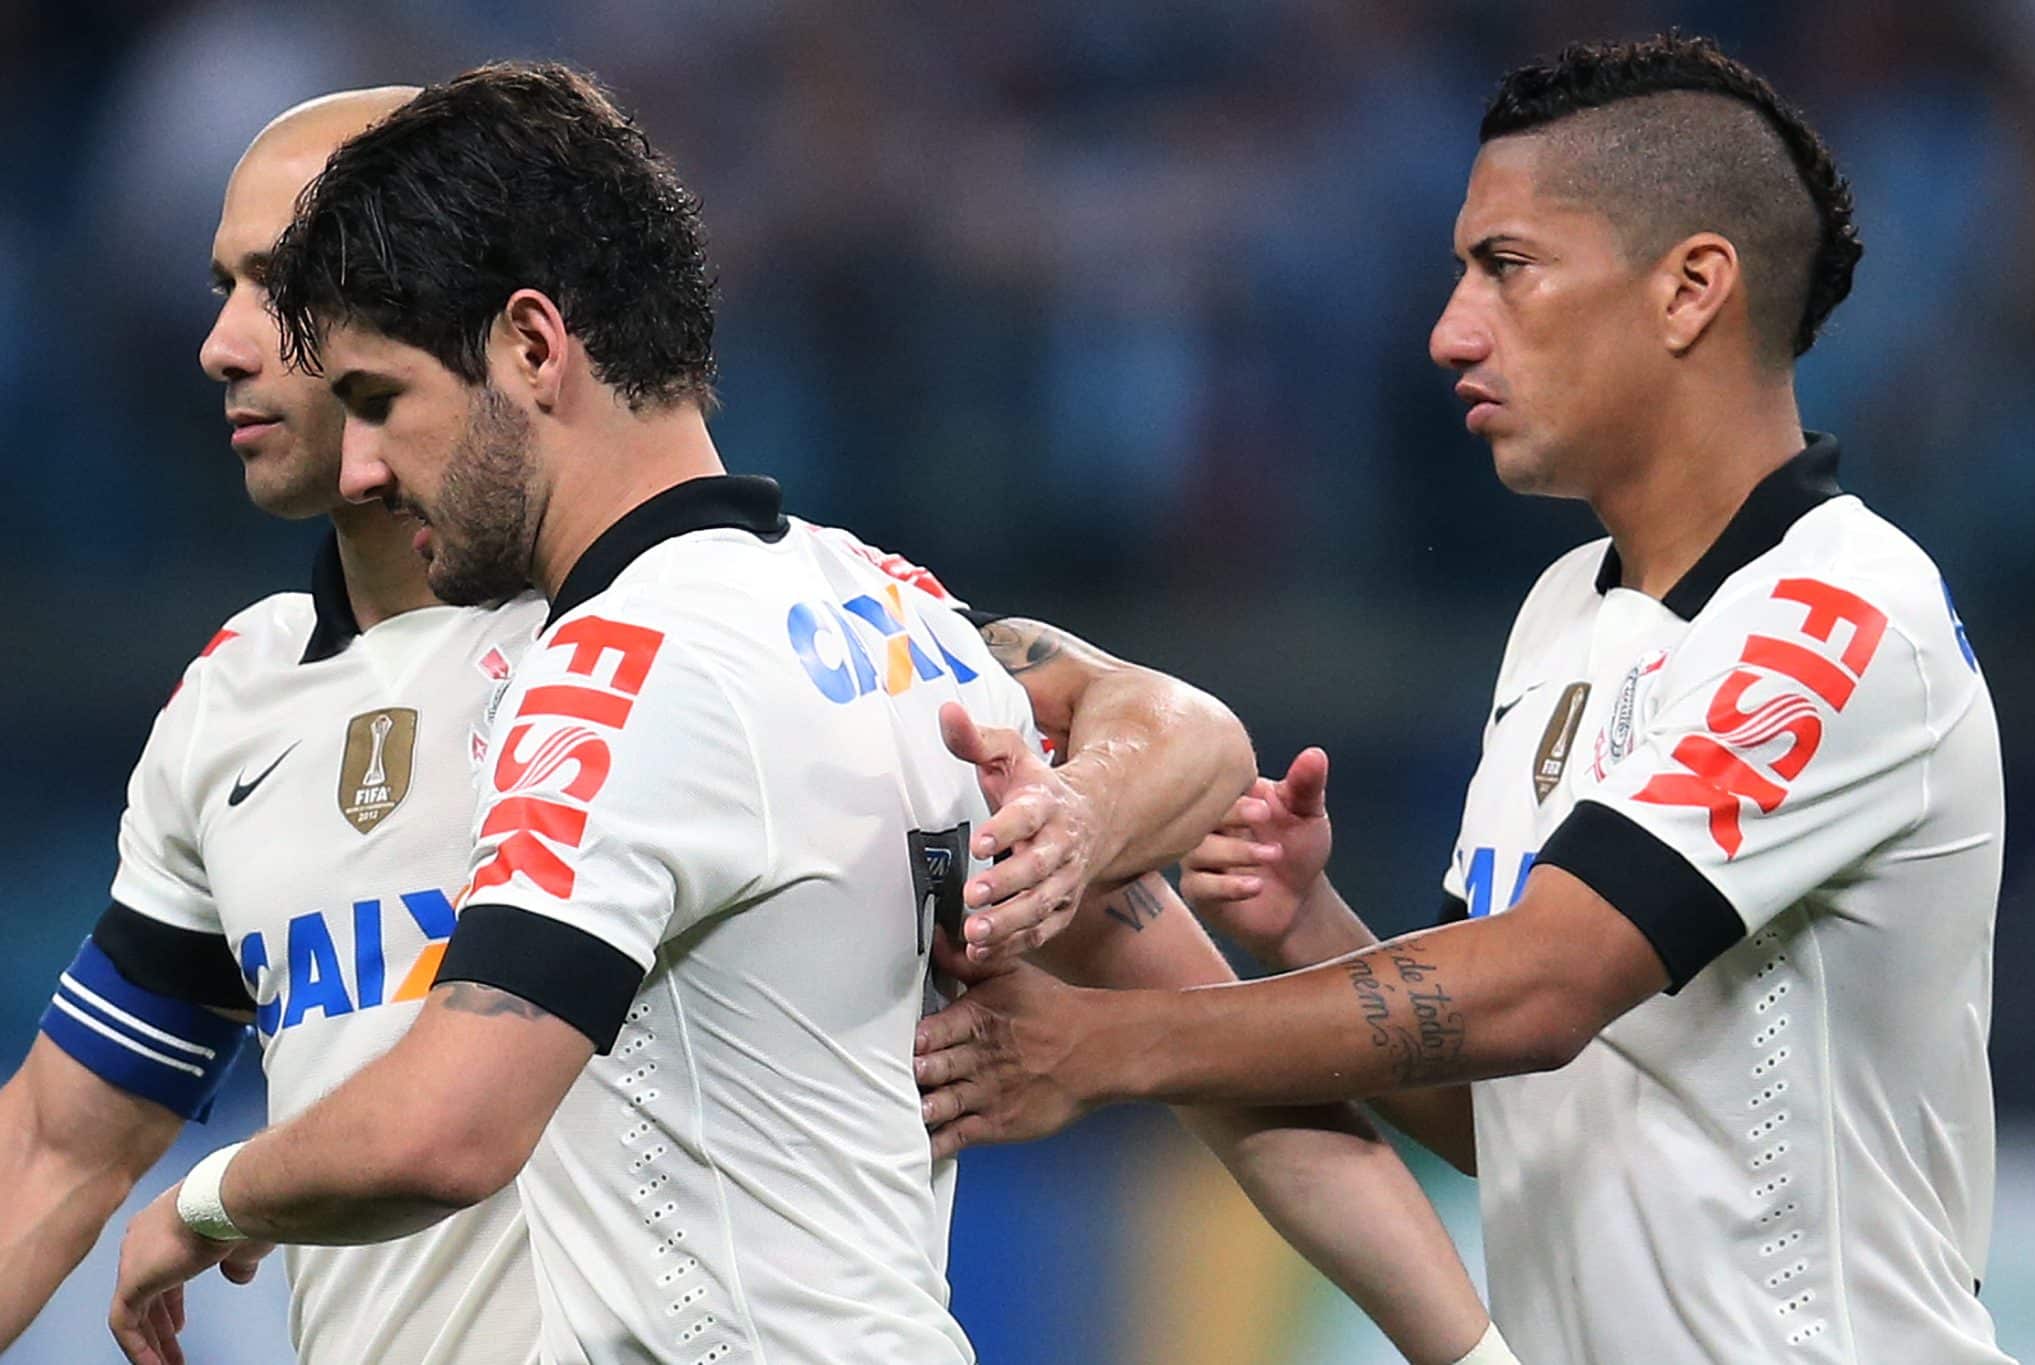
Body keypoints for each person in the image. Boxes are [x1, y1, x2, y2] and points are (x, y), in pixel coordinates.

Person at [105, 61, 1508, 1365]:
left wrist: (206, 1200)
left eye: (382, 398)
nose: (367, 459)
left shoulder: (606, 675)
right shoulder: (895, 619)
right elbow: (1186, 788)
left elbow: (449, 1124)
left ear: (535, 347)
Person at [912, 33, 2013, 1365]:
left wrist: (1108, 1042)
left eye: (1508, 266)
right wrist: (1308, 925)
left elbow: (1543, 985)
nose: (1450, 330)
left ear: (1691, 290)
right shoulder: (1563, 615)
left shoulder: (1837, 616)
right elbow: (1503, 1106)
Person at [0, 87, 554, 1365]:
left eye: (279, 284)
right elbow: (54, 1150)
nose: (223, 345)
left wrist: (1092, 1046)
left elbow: (1089, 746)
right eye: (220, 288)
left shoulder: (679, 619)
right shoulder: (236, 697)